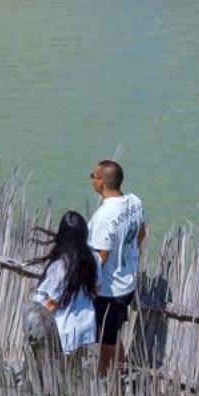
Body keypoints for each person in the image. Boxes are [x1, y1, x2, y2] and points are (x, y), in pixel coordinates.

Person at [87, 160, 146, 376]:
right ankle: (122, 370)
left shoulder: (103, 217)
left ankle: (106, 382)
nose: (91, 180)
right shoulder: (135, 202)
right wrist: (130, 256)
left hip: (109, 291)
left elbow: (101, 257)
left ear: (101, 182)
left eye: (92, 176)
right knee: (115, 331)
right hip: (127, 283)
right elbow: (142, 232)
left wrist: (88, 285)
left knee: (105, 341)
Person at [30, 211, 98, 357]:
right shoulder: (93, 258)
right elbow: (97, 289)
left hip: (63, 330)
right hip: (85, 326)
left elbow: (51, 305)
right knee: (76, 371)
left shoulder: (60, 266)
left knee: (59, 374)